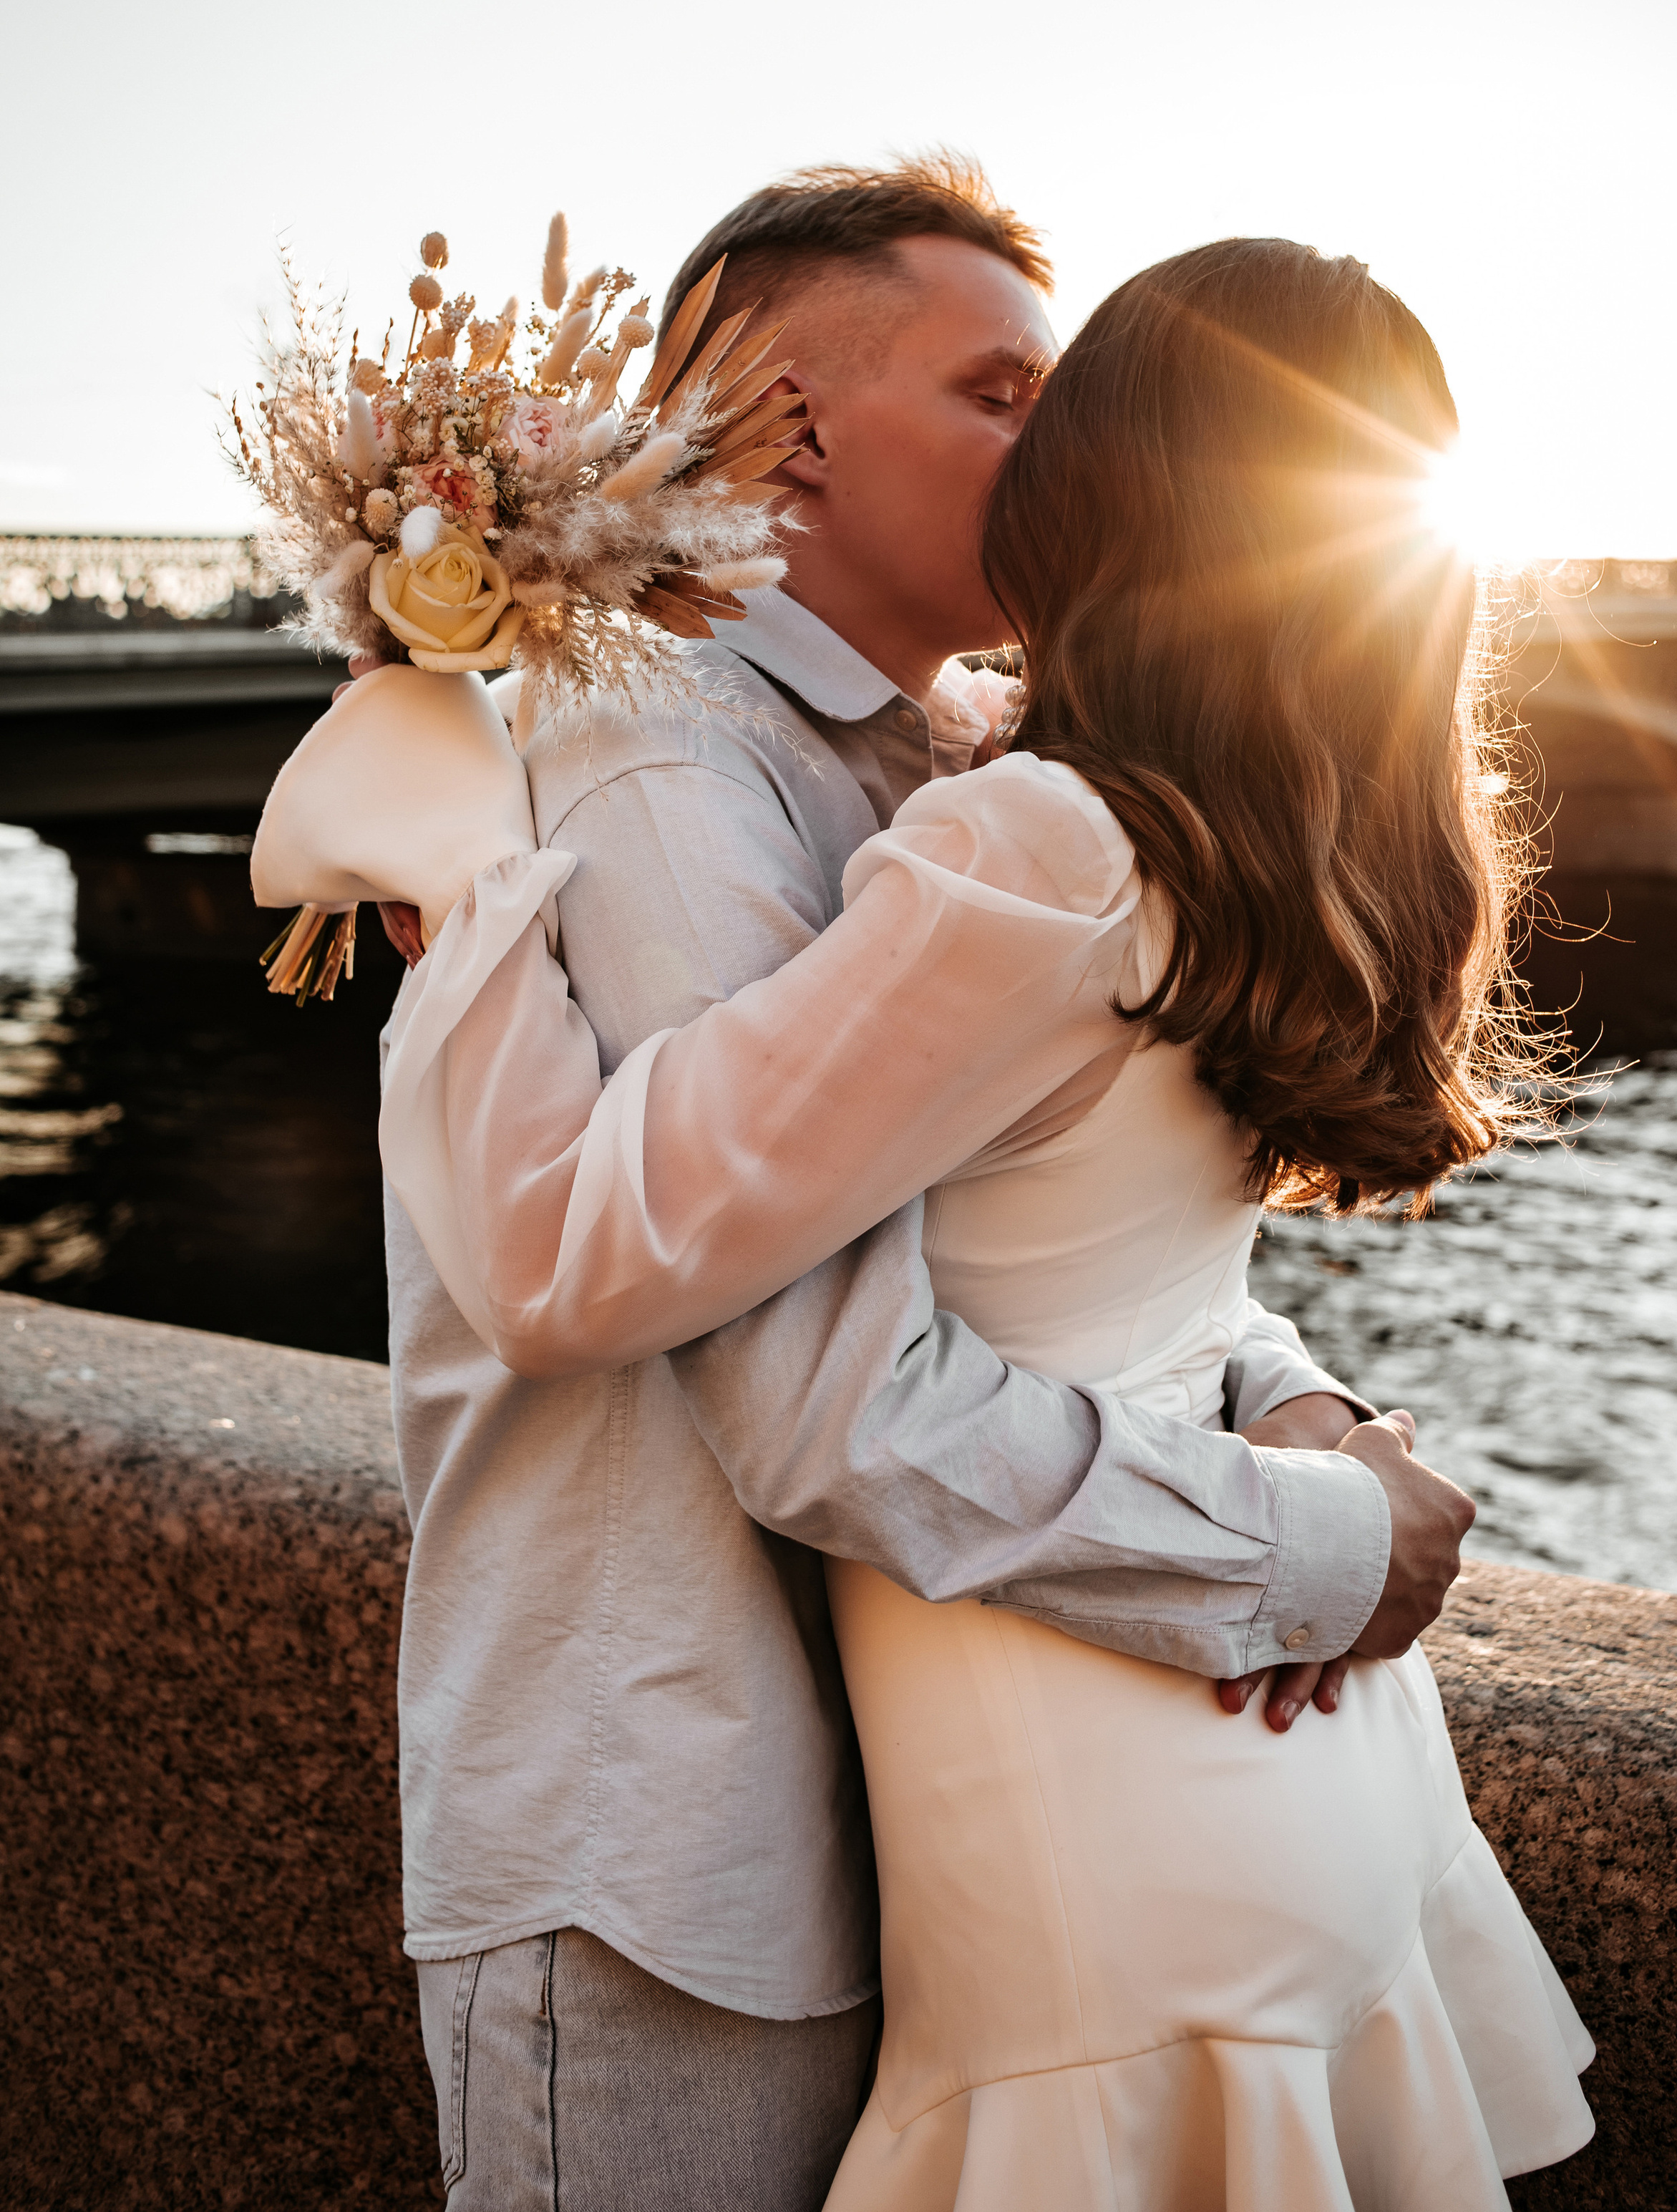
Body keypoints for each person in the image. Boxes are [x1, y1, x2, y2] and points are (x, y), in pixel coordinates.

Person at [366, 222, 1594, 2203]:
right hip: (697, 1830)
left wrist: (1291, 1409)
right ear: (789, 430)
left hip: (1029, 1788)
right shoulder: (675, 757)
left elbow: (1011, 1226)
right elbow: (757, 1350)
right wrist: (1307, 1514)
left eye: (1063, 399)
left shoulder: (1006, 794)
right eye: (997, 389)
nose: (1041, 447)